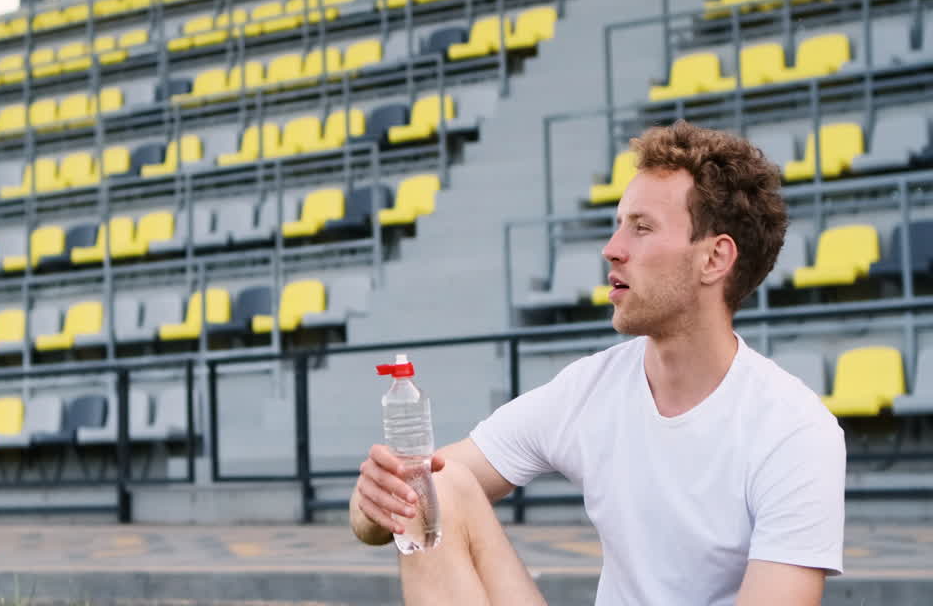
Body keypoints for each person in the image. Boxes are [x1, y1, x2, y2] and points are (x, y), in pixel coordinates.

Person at [350, 120, 846, 606]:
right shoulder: (590, 390)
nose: (612, 249)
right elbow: (403, 499)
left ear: (714, 259)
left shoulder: (794, 430)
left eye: (642, 228)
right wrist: (376, 501)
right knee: (441, 485)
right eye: (618, 226)